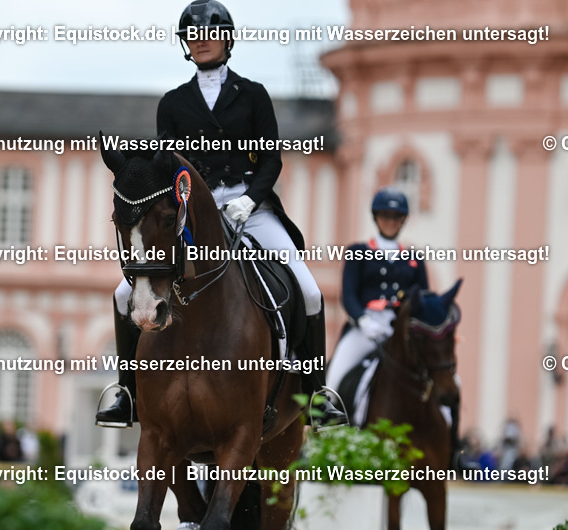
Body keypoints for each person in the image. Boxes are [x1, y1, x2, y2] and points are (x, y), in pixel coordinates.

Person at [96, 0, 345, 429]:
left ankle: (317, 393)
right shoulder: (173, 102)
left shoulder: (253, 95)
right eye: (193, 37)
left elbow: (271, 159)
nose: (201, 42)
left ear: (226, 40)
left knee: (308, 289)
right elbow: (167, 165)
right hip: (196, 210)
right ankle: (127, 393)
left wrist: (250, 199)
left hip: (251, 207)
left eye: (209, 35)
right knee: (124, 294)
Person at [324, 188, 431, 398]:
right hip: (365, 328)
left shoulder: (414, 259)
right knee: (333, 378)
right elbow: (348, 295)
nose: (390, 221)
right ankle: (325, 412)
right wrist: (363, 321)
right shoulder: (357, 252)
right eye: (385, 215)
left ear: (403, 220)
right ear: (376, 217)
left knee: (438, 377)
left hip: (400, 329)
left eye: (396, 216)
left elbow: (423, 299)